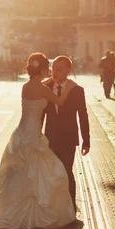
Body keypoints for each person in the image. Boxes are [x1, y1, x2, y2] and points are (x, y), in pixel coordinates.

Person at [0, 53, 77, 229]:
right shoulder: (44, 90)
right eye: (47, 69)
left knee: (19, 174)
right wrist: (70, 87)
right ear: (43, 70)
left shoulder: (25, 87)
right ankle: (39, 212)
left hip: (21, 134)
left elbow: (37, 91)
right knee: (50, 173)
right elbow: (60, 101)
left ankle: (12, 208)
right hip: (34, 136)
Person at [43, 55, 90, 208]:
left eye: (59, 69)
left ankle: (70, 206)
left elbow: (83, 116)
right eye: (53, 68)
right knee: (51, 173)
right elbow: (40, 115)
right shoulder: (47, 88)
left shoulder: (77, 90)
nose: (54, 72)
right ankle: (53, 205)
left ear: (68, 71)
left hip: (68, 138)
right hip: (50, 138)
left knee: (67, 172)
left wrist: (86, 141)